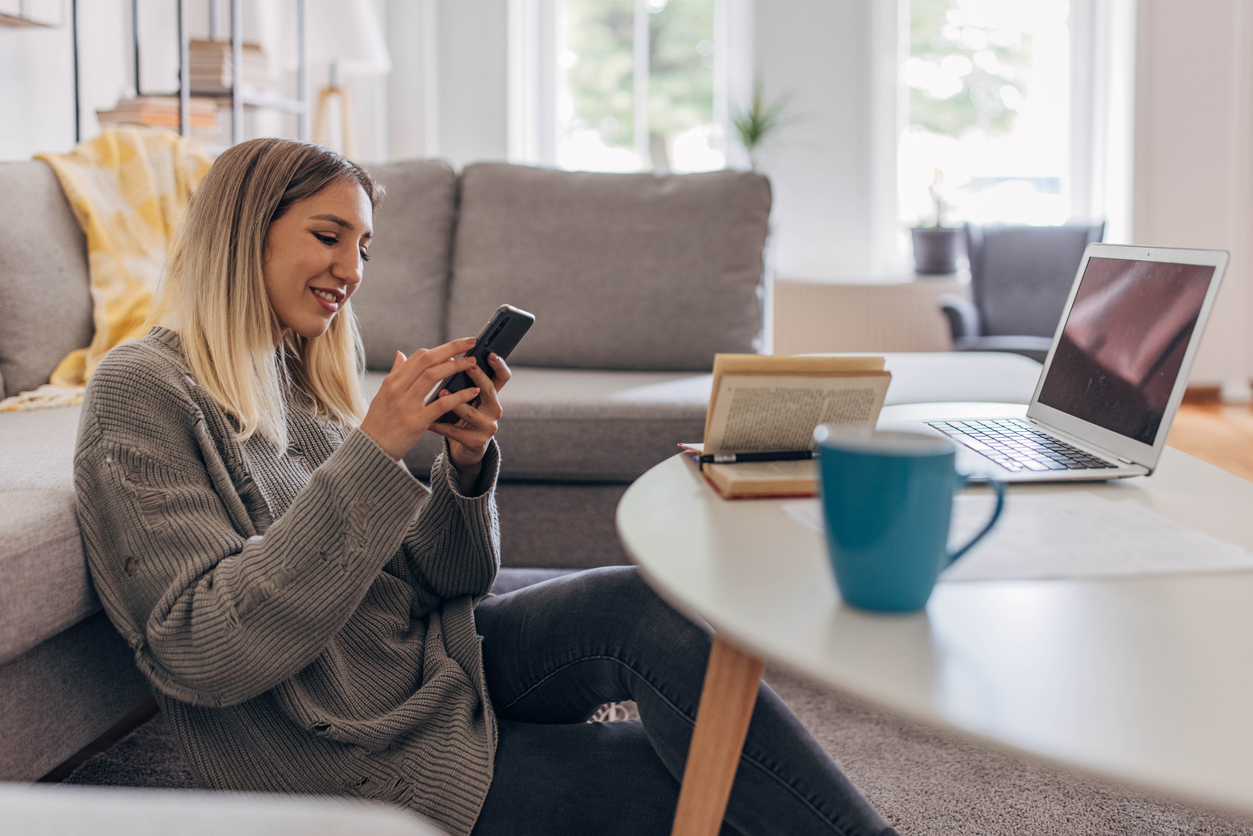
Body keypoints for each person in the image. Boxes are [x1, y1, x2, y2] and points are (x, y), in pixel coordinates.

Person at [75, 137, 896, 836]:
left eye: (363, 247)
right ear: (242, 231)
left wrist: (462, 473)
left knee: (640, 607)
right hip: (345, 752)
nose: (350, 270)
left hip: (424, 670)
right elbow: (199, 648)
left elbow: (444, 584)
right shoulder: (143, 389)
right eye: (329, 236)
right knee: (707, 789)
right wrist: (374, 451)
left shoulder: (289, 379)